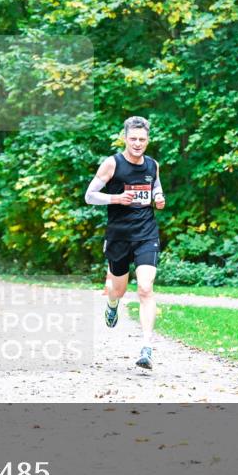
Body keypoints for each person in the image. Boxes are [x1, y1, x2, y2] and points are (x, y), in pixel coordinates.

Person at [84, 116, 165, 370]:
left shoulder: (153, 165)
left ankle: (147, 348)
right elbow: (89, 196)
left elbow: (156, 187)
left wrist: (159, 196)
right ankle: (112, 304)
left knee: (144, 288)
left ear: (147, 140)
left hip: (146, 235)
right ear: (125, 138)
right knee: (117, 290)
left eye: (142, 139)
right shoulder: (112, 164)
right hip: (119, 236)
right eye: (133, 139)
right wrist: (116, 198)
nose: (138, 144)